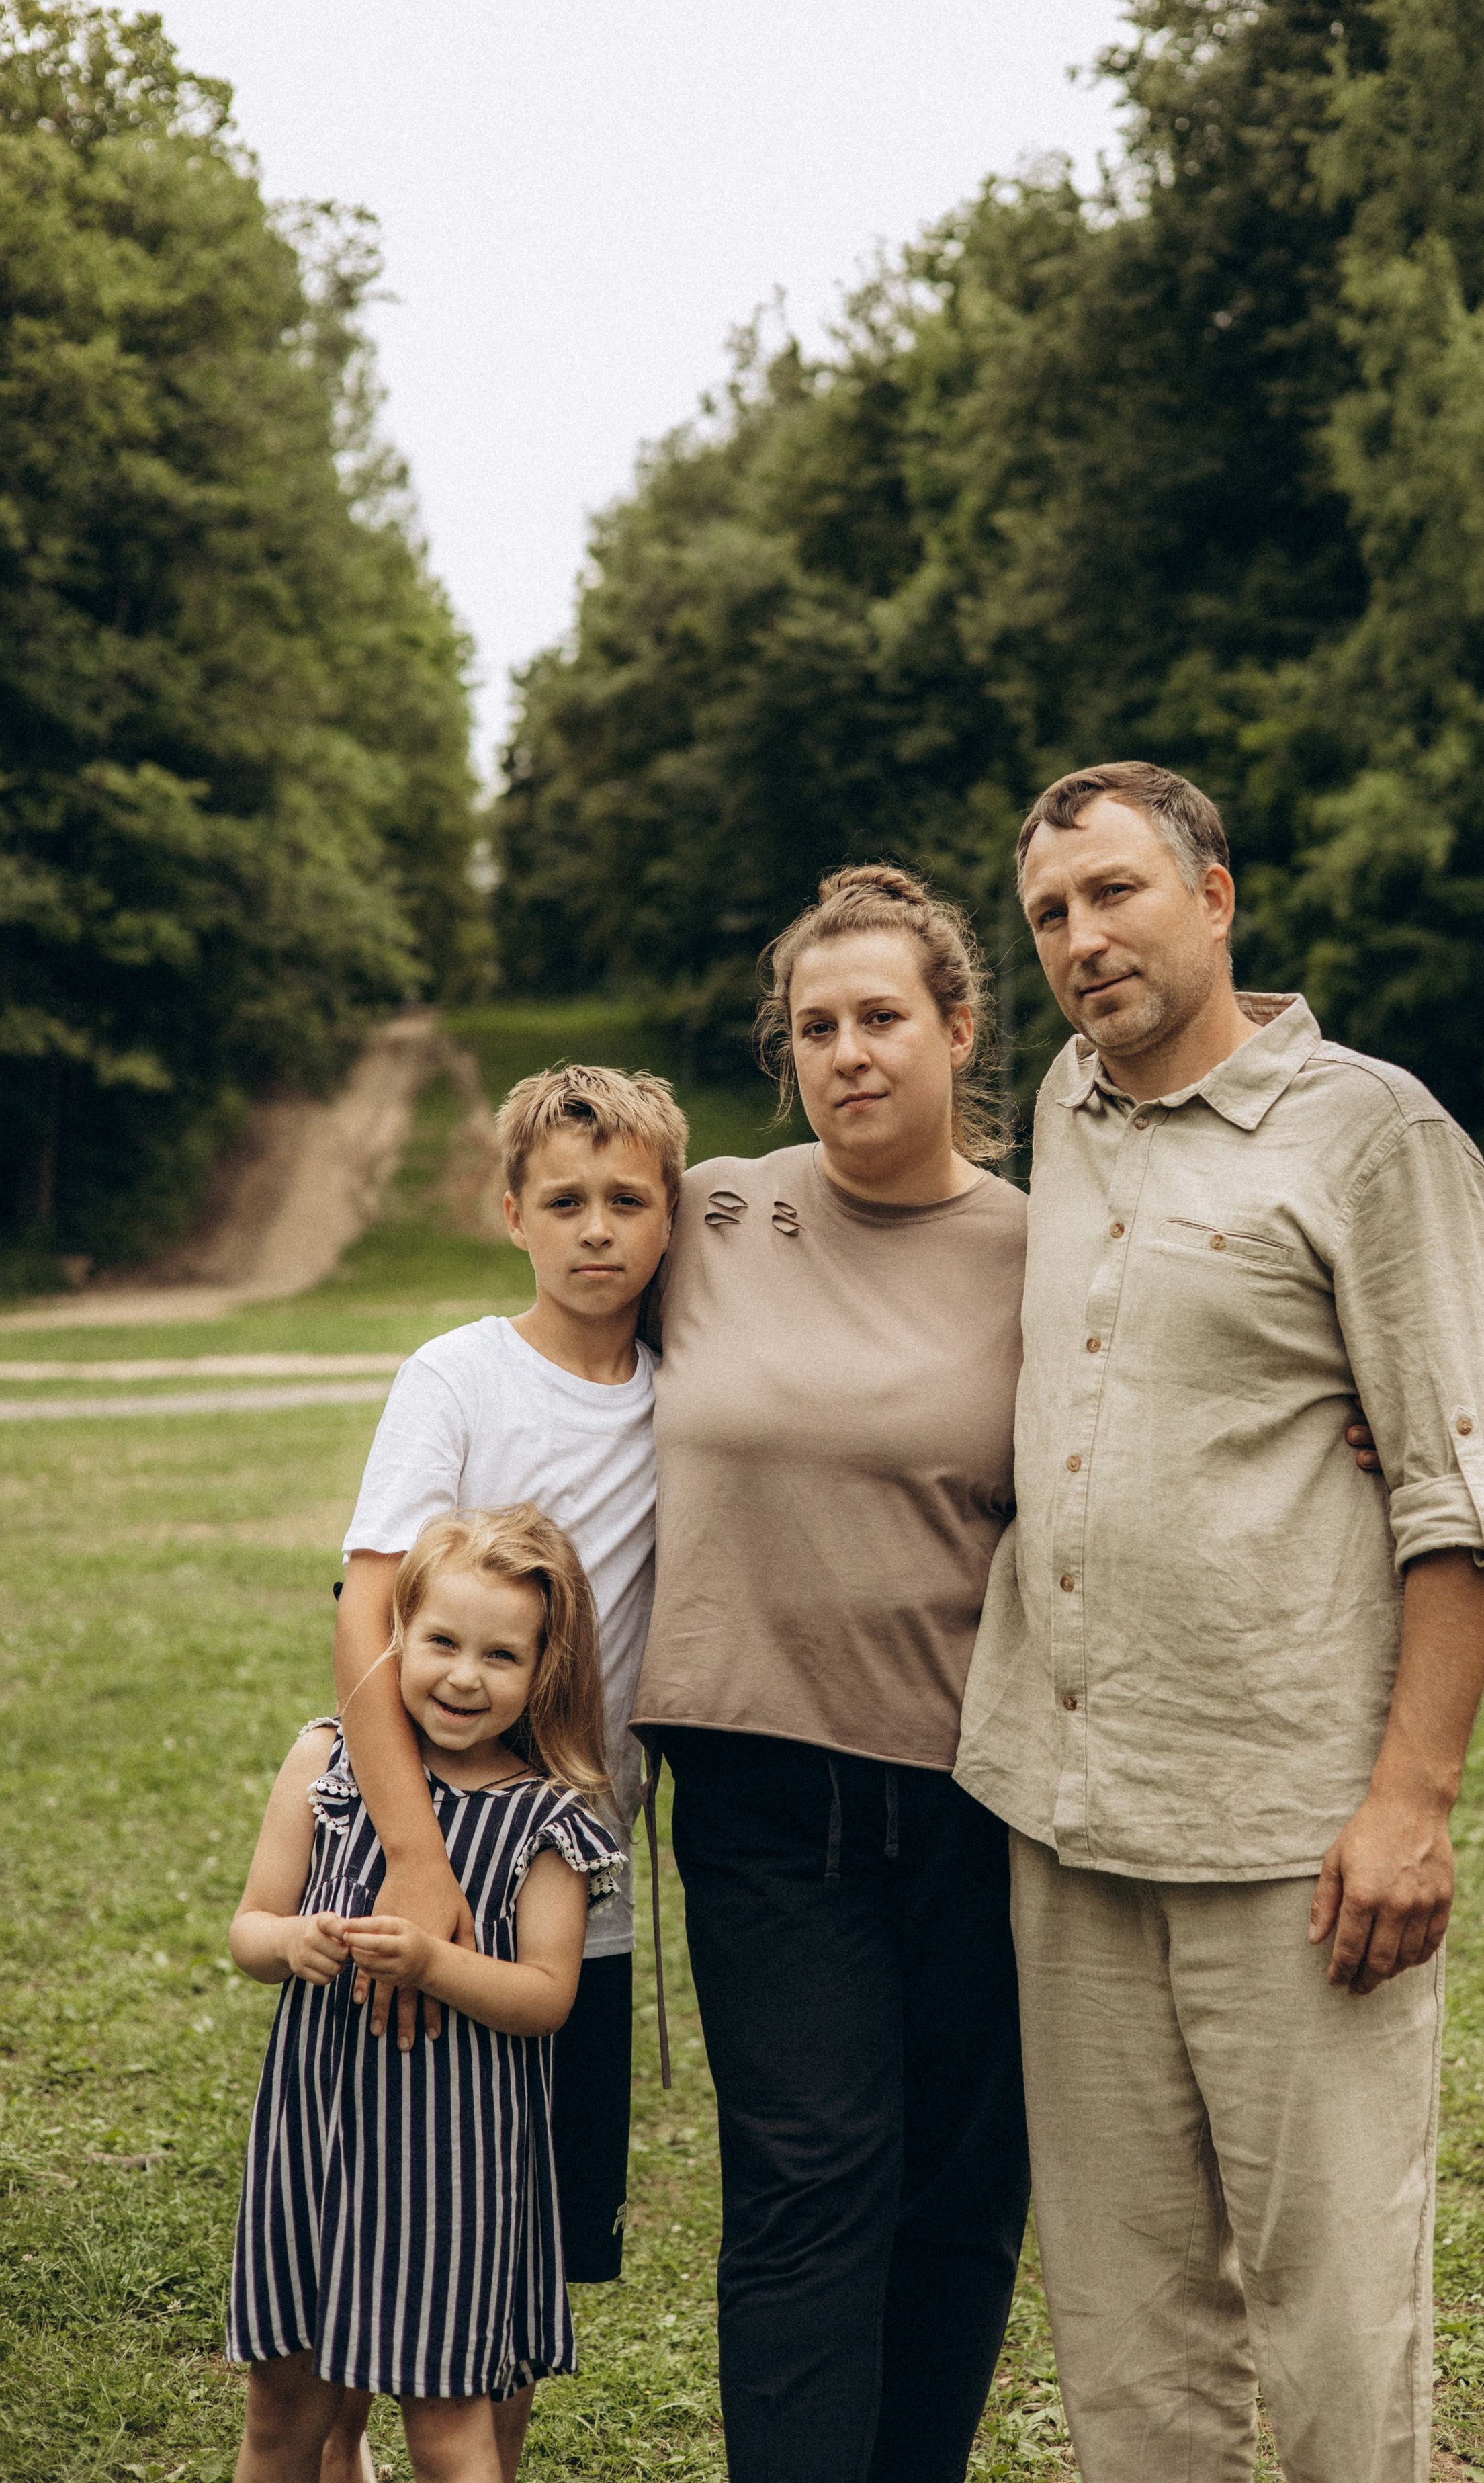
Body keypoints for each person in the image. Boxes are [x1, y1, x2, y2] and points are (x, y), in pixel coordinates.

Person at [956, 762, 1484, 2483]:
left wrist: (1409, 1802)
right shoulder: (1065, 1105)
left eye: (1114, 893)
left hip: (1292, 1835)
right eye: (1048, 913)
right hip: (1065, 1819)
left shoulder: (1375, 1136)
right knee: (1124, 2336)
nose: (1079, 939)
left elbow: (1460, 1499)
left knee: (1337, 2325)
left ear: (1215, 899)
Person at [630, 864, 1033, 2483]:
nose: (848, 1053)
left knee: (957, 2187)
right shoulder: (706, 1214)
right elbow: (555, 1337)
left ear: (956, 1030)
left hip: (974, 1786)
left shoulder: (1051, 1249)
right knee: (806, 2180)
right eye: (815, 1027)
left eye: (881, 1018)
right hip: (754, 1784)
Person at [324, 1066, 685, 2483]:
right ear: (511, 1213)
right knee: (378, 2204)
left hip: (572, 1890)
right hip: (418, 1866)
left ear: (670, 1218)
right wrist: (415, 1858)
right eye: (564, 1200)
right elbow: (367, 1610)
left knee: (518, 2254)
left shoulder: (689, 1398)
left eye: (628, 1200)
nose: (596, 1229)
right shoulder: (459, 1375)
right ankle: (333, 2446)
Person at [226, 1505, 622, 2483]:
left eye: (501, 1655)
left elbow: (547, 1996)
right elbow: (249, 1930)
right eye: (442, 1642)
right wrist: (294, 1941)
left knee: (447, 2425)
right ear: (395, 1632)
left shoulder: (547, 1819)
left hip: (454, 2173)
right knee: (283, 2410)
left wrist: (433, 1963)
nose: (464, 1677)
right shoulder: (323, 1764)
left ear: (545, 1670)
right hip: (315, 2143)